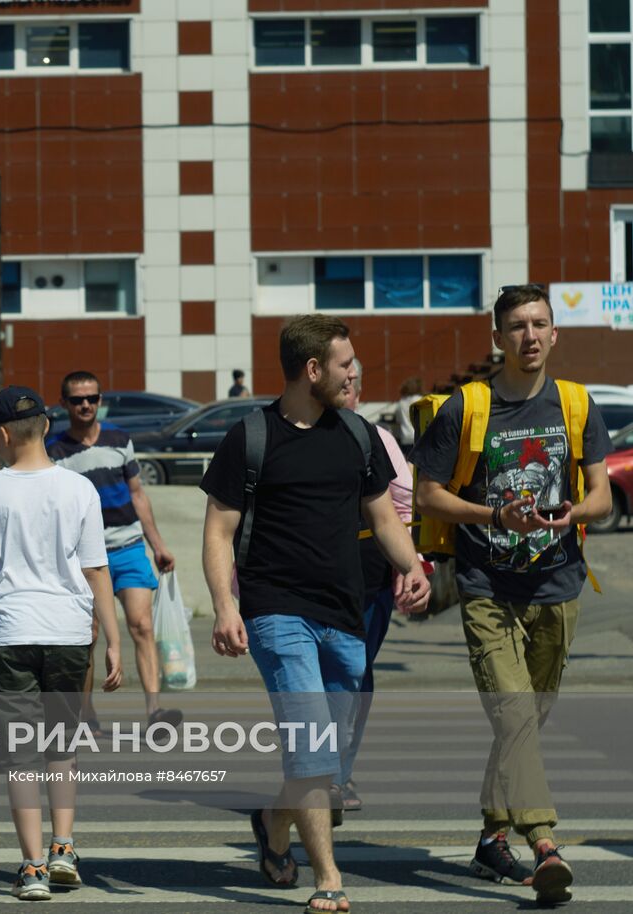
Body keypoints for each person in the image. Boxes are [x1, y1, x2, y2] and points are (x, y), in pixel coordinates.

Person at [201, 314, 429, 914]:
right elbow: (218, 533)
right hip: (278, 613)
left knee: (327, 754)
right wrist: (226, 607)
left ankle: (276, 826)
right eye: (345, 364)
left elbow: (384, 517)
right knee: (311, 748)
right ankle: (328, 875)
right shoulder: (250, 438)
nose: (353, 372)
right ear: (312, 370)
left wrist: (412, 567)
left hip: (345, 615)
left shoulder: (357, 435)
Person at [412, 284, 611, 906]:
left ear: (555, 334)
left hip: (558, 584)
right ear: (496, 337)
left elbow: (602, 498)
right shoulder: (466, 408)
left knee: (527, 720)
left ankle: (491, 835)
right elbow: (428, 494)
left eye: (540, 324)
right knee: (517, 714)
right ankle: (544, 841)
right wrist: (493, 516)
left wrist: (570, 512)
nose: (529, 336)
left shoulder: (577, 405)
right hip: (485, 586)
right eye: (517, 326)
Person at [0, 386, 122, 901]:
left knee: (20, 754)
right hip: (70, 634)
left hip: (10, 635)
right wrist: (114, 640)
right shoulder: (79, 490)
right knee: (61, 748)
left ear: (2, 435)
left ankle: (31, 868)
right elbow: (96, 570)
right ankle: (63, 847)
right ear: (47, 426)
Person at [47, 371, 176, 730]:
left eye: (91, 398)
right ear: (64, 404)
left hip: (128, 548)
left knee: (142, 626)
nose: (85, 405)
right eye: (76, 399)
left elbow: (137, 493)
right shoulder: (54, 451)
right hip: (83, 559)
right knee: (87, 636)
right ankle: (86, 713)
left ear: (100, 401)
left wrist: (158, 545)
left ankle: (154, 713)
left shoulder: (120, 439)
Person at [333, 356, 414, 813]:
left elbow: (402, 509)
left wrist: (411, 565)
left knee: (355, 675)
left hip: (370, 582)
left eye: (352, 384)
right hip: (311, 583)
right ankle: (318, 771)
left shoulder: (378, 438)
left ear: (359, 391)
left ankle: (339, 772)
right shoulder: (299, 437)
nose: (346, 390)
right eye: (339, 382)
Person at [395, 376, 424, 450]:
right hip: (420, 438)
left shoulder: (401, 403)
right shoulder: (421, 400)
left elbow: (398, 421)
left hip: (406, 438)